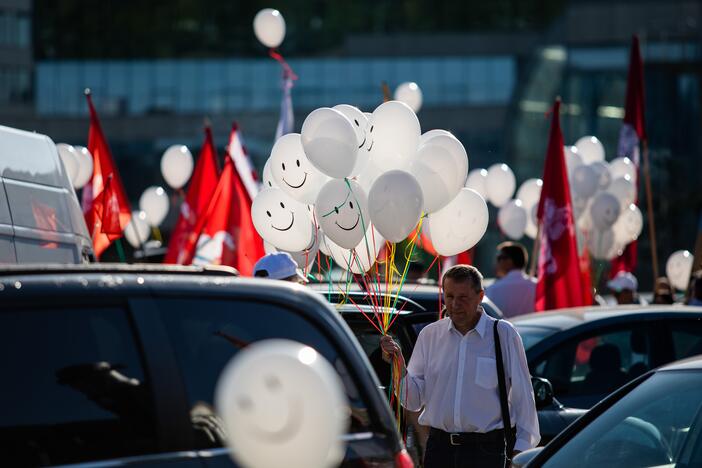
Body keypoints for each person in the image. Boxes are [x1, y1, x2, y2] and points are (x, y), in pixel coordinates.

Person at [380, 265, 539, 468]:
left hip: (486, 453)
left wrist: (519, 456)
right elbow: (413, 401)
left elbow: (524, 400)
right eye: (449, 296)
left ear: (480, 296)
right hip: (439, 450)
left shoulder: (503, 334)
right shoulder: (430, 335)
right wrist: (398, 367)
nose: (455, 304)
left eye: (463, 297)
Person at [485, 242, 536, 318]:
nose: (496, 263)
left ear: (509, 261)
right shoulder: (536, 286)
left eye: (499, 258)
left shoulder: (492, 289)